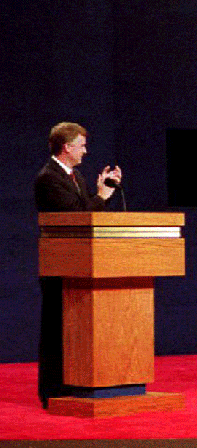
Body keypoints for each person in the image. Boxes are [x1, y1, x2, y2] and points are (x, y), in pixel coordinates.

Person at [33, 122, 121, 408]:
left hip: (80, 266)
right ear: (67, 147)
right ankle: (52, 391)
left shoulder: (76, 177)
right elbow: (76, 218)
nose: (85, 151)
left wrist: (101, 194)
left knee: (73, 329)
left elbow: (87, 217)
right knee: (55, 330)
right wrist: (100, 198)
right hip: (61, 265)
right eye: (81, 145)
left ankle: (71, 384)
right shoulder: (49, 178)